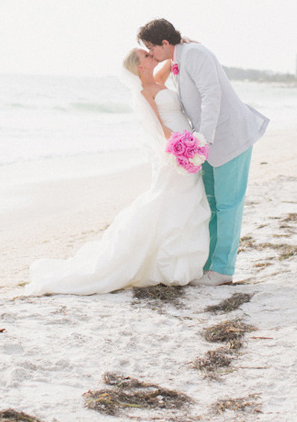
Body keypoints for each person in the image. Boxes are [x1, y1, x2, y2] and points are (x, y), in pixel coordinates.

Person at [25, 48, 210, 296]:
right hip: (176, 150)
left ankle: (178, 262)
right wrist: (181, 149)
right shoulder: (144, 92)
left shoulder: (158, 81)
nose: (150, 54)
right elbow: (160, 127)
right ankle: (165, 263)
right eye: (145, 55)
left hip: (187, 144)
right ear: (140, 67)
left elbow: (173, 56)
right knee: (170, 200)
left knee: (185, 202)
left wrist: (179, 45)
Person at [138, 19, 269, 286]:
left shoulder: (196, 54)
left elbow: (212, 96)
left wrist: (203, 139)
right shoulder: (180, 58)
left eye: (152, 47)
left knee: (228, 204)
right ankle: (209, 265)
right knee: (210, 204)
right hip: (206, 144)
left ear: (165, 43)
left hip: (228, 137)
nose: (151, 54)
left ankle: (223, 270)